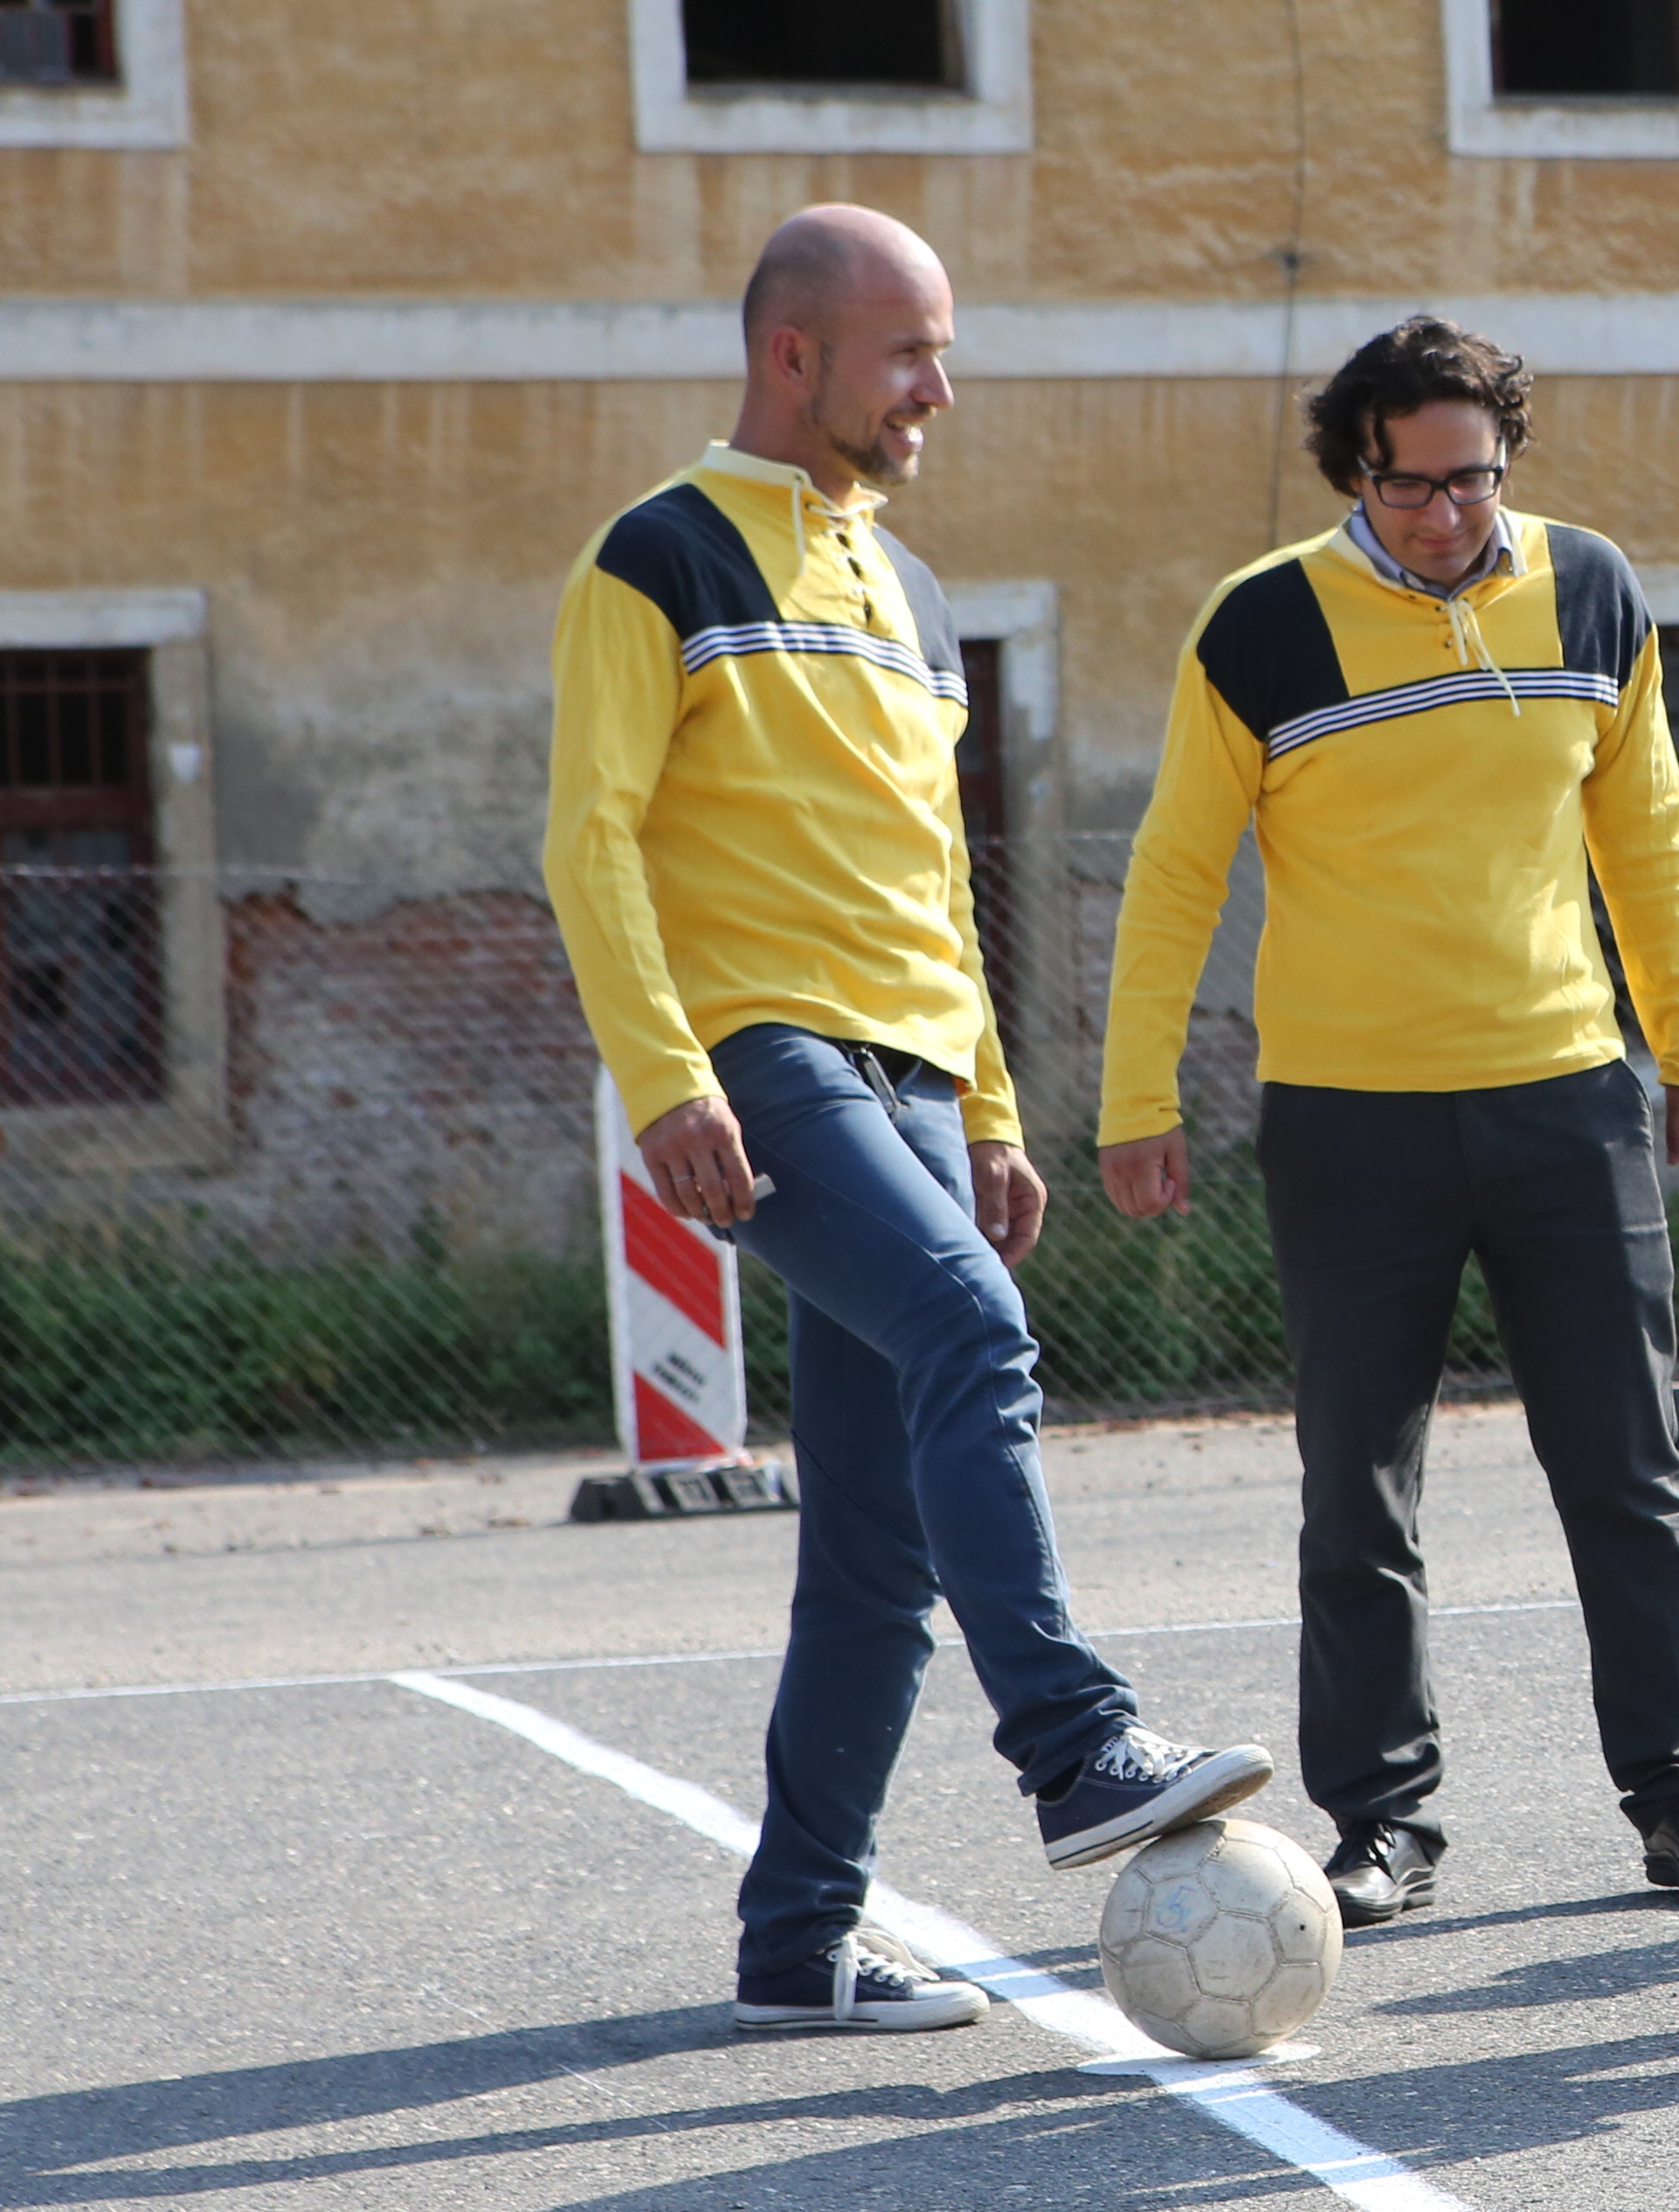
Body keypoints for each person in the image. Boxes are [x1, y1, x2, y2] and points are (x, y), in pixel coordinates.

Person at [545, 204, 1273, 2034]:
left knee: (873, 1551)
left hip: (922, 1076)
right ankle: (1077, 1746)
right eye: (908, 354)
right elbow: (592, 838)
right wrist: (665, 1077)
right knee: (974, 1329)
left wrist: (996, 1108)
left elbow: (941, 875)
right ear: (792, 355)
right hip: (764, 1052)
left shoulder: (917, 592)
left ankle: (797, 1942)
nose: (938, 389)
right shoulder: (659, 554)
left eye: (943, 353)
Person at [1096, 315, 1679, 1927]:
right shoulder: (1263, 622)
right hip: (1348, 1118)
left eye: (1473, 480)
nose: (1444, 514)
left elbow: (1651, 840)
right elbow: (1178, 865)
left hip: (1569, 1098)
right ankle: (1382, 1824)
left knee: (1629, 1470)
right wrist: (1137, 1096)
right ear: (1355, 470)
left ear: (1507, 460)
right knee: (1359, 1492)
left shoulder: (1592, 588)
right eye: (1407, 487)